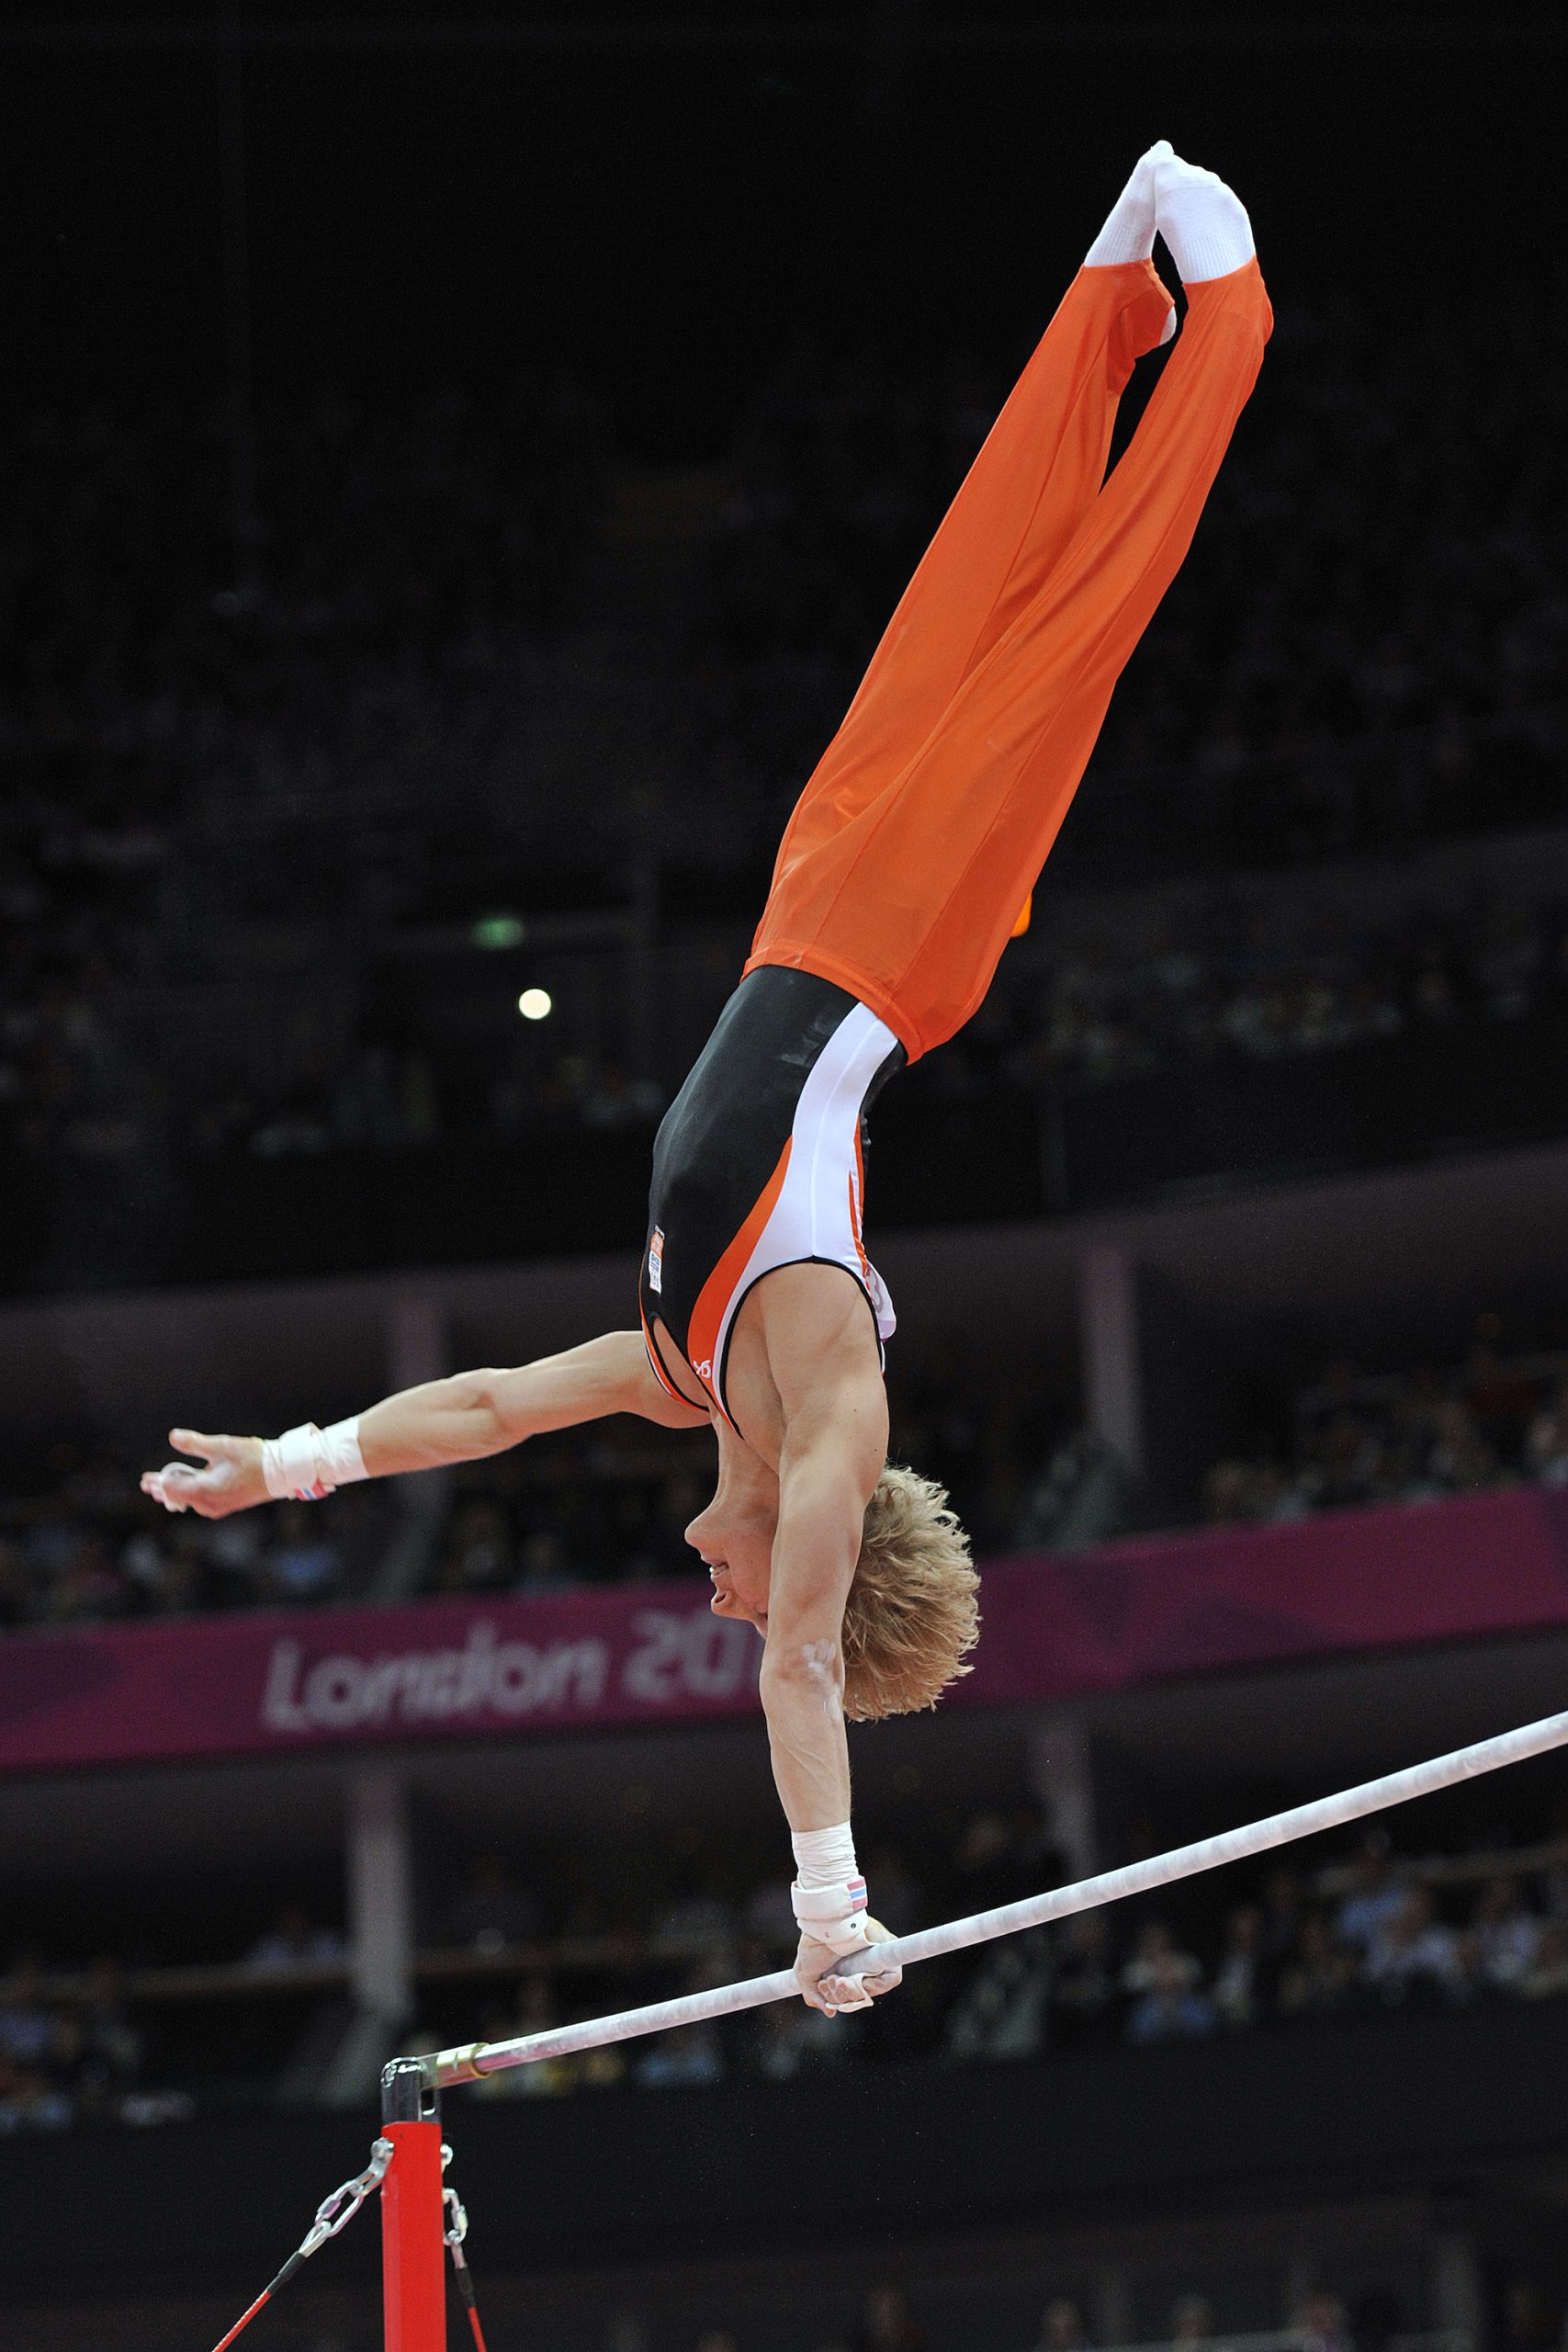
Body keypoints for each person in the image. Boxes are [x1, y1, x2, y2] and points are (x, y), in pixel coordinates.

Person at [143, 144, 1269, 2018]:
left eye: (739, 1597)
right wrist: (826, 1900)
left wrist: (294, 1464)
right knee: (1077, 626)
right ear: (836, 1560)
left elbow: (496, 1405)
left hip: (810, 895)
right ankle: (1223, 321)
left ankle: (1110, 301)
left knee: (957, 592)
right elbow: (802, 1667)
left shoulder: (685, 1371)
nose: (722, 1594)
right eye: (745, 1595)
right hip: (903, 940)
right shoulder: (831, 1403)